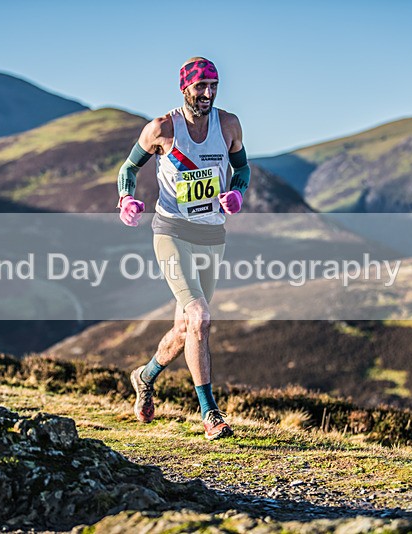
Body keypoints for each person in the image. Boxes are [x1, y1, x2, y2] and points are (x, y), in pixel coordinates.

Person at [117, 57, 251, 440]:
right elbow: (128, 169)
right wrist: (126, 199)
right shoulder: (161, 128)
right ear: (184, 89)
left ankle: (144, 377)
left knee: (185, 327)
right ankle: (210, 414)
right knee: (201, 317)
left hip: (212, 236)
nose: (208, 94)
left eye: (214, 86)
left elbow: (242, 169)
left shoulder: (228, 125)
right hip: (172, 232)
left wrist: (237, 194)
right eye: (200, 87)